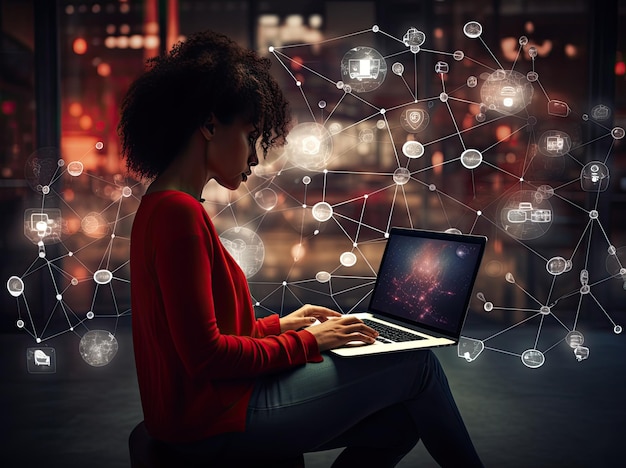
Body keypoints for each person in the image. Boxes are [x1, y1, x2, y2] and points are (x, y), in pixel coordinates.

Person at [119, 30, 483, 467]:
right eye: (251, 135)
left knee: (400, 423)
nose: (255, 157)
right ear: (210, 124)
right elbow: (206, 356)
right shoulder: (178, 215)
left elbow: (205, 333)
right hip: (211, 419)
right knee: (418, 367)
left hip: (207, 409)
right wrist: (309, 340)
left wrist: (284, 326)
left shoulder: (163, 206)